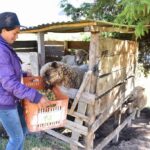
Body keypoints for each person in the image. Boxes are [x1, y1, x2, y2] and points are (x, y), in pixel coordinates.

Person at [0, 12, 49, 150]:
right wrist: (36, 96)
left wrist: (23, 74)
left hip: (12, 99)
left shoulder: (5, 47)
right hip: (4, 102)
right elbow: (8, 82)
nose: (17, 36)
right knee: (16, 138)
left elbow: (7, 72)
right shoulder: (1, 50)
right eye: (15, 33)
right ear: (3, 30)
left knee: (23, 130)